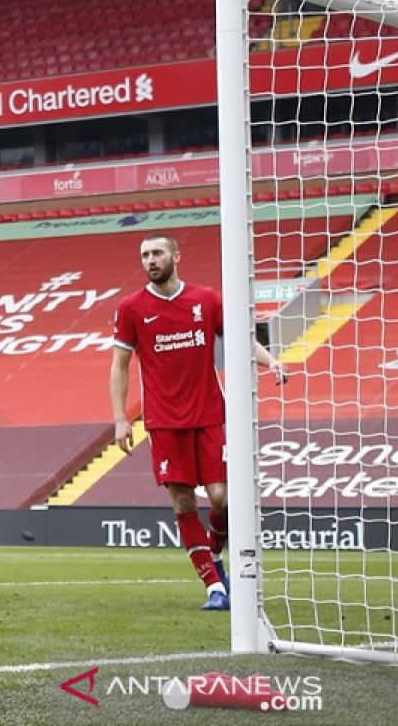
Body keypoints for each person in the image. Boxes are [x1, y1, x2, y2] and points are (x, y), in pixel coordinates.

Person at [110, 233, 287, 611]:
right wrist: (120, 419)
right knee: (183, 502)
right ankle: (214, 587)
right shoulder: (131, 308)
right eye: (144, 255)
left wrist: (270, 360)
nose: (150, 260)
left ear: (176, 255)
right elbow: (120, 366)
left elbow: (240, 340)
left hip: (208, 414)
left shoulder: (206, 300)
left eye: (157, 253)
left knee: (222, 497)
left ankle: (215, 551)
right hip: (163, 420)